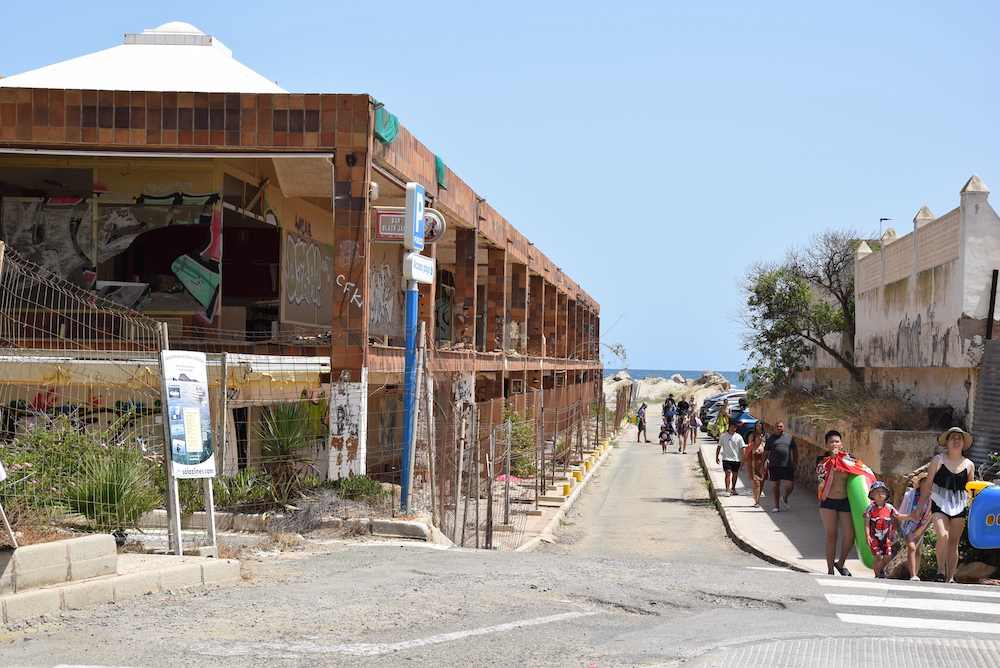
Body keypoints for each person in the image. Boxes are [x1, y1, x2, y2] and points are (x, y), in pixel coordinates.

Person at [918, 426, 976, 583]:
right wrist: (919, 506)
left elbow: (971, 489)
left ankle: (950, 578)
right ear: (947, 442)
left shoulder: (969, 465)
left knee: (953, 543)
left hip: (959, 503)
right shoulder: (938, 460)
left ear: (963, 443)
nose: (956, 441)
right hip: (939, 501)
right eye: (953, 438)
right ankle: (940, 572)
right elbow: (928, 484)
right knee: (943, 535)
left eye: (959, 438)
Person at [816, 430, 875, 576]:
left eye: (837, 441)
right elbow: (822, 473)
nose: (834, 444)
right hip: (828, 502)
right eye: (831, 442)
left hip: (844, 502)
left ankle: (840, 563)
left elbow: (863, 471)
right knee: (832, 535)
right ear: (826, 445)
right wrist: (834, 458)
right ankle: (830, 570)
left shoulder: (850, 460)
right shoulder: (822, 461)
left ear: (841, 444)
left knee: (850, 535)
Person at [898, 472, 931, 581]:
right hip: (908, 526)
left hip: (920, 527)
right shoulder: (910, 495)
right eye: (925, 482)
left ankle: (915, 575)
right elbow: (900, 513)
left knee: (918, 552)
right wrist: (910, 517)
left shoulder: (931, 499)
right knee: (912, 547)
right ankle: (913, 575)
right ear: (920, 483)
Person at [864, 481, 900, 579]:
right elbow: (866, 523)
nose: (880, 494)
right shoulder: (870, 509)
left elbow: (898, 516)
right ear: (872, 494)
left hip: (886, 537)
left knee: (888, 555)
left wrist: (910, 516)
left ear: (886, 494)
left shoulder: (889, 507)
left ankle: (880, 570)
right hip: (874, 536)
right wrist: (867, 535)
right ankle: (877, 575)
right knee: (878, 556)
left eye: (882, 491)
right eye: (877, 491)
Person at [764, 421, 798, 513]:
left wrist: (795, 462)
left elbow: (794, 449)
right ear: (775, 428)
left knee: (790, 485)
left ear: (784, 427)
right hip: (774, 465)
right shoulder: (771, 438)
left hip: (787, 465)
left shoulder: (789, 437)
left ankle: (785, 497)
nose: (779, 428)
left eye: (781, 426)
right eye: (778, 426)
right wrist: (763, 464)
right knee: (775, 485)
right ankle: (776, 506)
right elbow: (766, 452)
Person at [716, 422, 746, 496]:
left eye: (734, 427)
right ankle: (727, 490)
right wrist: (717, 456)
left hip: (736, 459)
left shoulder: (739, 437)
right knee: (728, 473)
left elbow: (742, 448)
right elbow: (719, 446)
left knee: (735, 474)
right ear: (729, 428)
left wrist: (745, 458)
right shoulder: (723, 436)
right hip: (726, 458)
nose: (733, 429)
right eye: (732, 427)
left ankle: (733, 488)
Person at [742, 426, 766, 507]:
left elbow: (768, 456)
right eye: (758, 436)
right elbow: (745, 457)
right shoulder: (751, 446)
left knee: (761, 484)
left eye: (761, 436)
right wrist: (741, 466)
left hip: (762, 467)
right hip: (752, 467)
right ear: (755, 437)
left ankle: (757, 499)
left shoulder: (765, 446)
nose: (760, 438)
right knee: (756, 484)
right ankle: (757, 502)